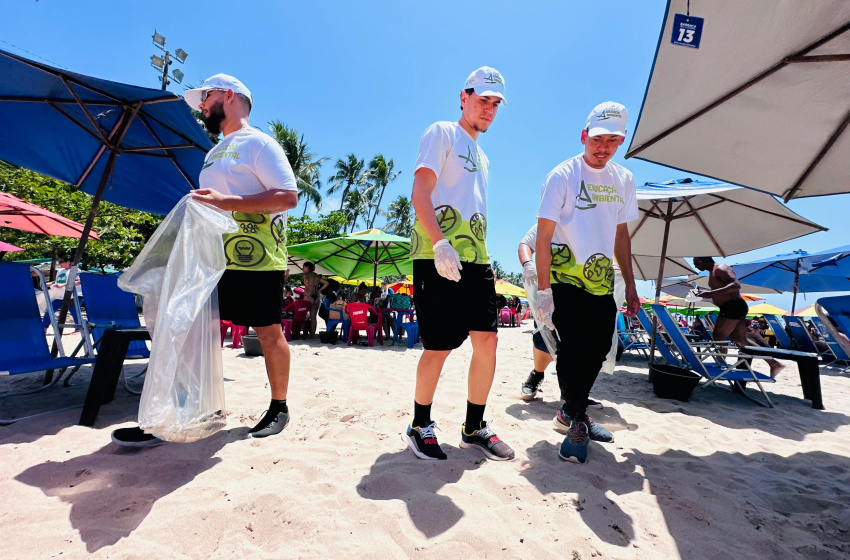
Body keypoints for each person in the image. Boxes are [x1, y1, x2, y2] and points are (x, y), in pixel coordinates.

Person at [112, 74, 299, 446]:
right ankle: (182, 412)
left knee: (266, 330)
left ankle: (279, 406)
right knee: (189, 329)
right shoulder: (213, 152)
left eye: (205, 97)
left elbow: (287, 197)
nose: (200, 106)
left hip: (257, 258)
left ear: (228, 96)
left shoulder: (260, 144)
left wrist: (225, 203)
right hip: (209, 257)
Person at [402, 66, 514, 462]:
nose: (489, 108)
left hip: (477, 259)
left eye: (496, 103)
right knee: (439, 346)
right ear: (463, 98)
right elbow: (420, 190)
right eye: (483, 99)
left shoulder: (483, 155)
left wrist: (482, 257)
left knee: (488, 341)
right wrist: (439, 244)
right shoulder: (442, 132)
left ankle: (474, 426)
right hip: (437, 254)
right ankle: (419, 425)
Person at [533, 102, 640, 464]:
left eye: (613, 140)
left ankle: (569, 411)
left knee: (598, 349)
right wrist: (544, 291)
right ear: (584, 136)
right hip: (564, 278)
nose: (603, 147)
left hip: (601, 282)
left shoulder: (623, 180)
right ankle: (577, 419)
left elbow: (622, 237)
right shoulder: (562, 175)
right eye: (598, 139)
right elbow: (543, 237)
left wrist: (632, 284)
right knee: (574, 348)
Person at [692, 257, 785, 377]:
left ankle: (721, 364)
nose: (696, 267)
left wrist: (710, 293)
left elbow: (735, 285)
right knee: (740, 339)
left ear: (705, 260)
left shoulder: (721, 268)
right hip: (733, 307)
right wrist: (703, 292)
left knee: (718, 335)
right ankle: (774, 363)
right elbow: (720, 290)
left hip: (733, 306)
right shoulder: (712, 272)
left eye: (697, 264)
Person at [302, 262, 328, 338]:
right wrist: (319, 290)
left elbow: (306, 283)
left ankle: (305, 334)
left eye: (304, 267)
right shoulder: (316, 276)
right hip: (316, 296)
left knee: (305, 316)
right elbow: (326, 283)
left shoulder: (305, 275)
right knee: (313, 318)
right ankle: (312, 336)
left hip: (308, 296)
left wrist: (306, 292)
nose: (303, 269)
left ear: (307, 267)